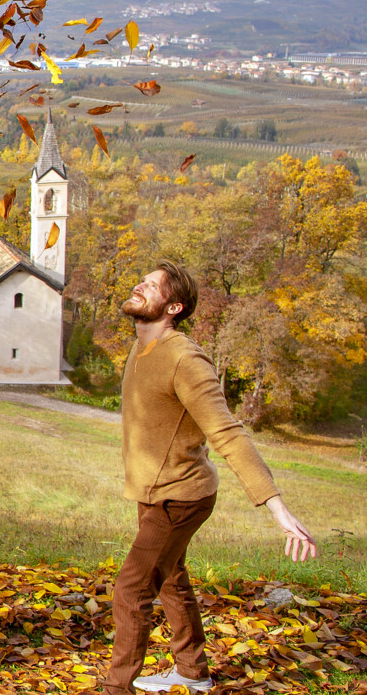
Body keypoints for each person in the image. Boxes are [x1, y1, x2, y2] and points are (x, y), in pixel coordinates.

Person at [101, 261, 318, 694]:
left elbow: (227, 433)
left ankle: (116, 689)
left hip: (179, 498)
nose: (139, 286)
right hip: (154, 492)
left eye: (153, 286)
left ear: (174, 307)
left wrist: (276, 506)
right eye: (141, 280)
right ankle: (193, 672)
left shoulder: (185, 358)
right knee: (171, 577)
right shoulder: (142, 346)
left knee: (130, 590)